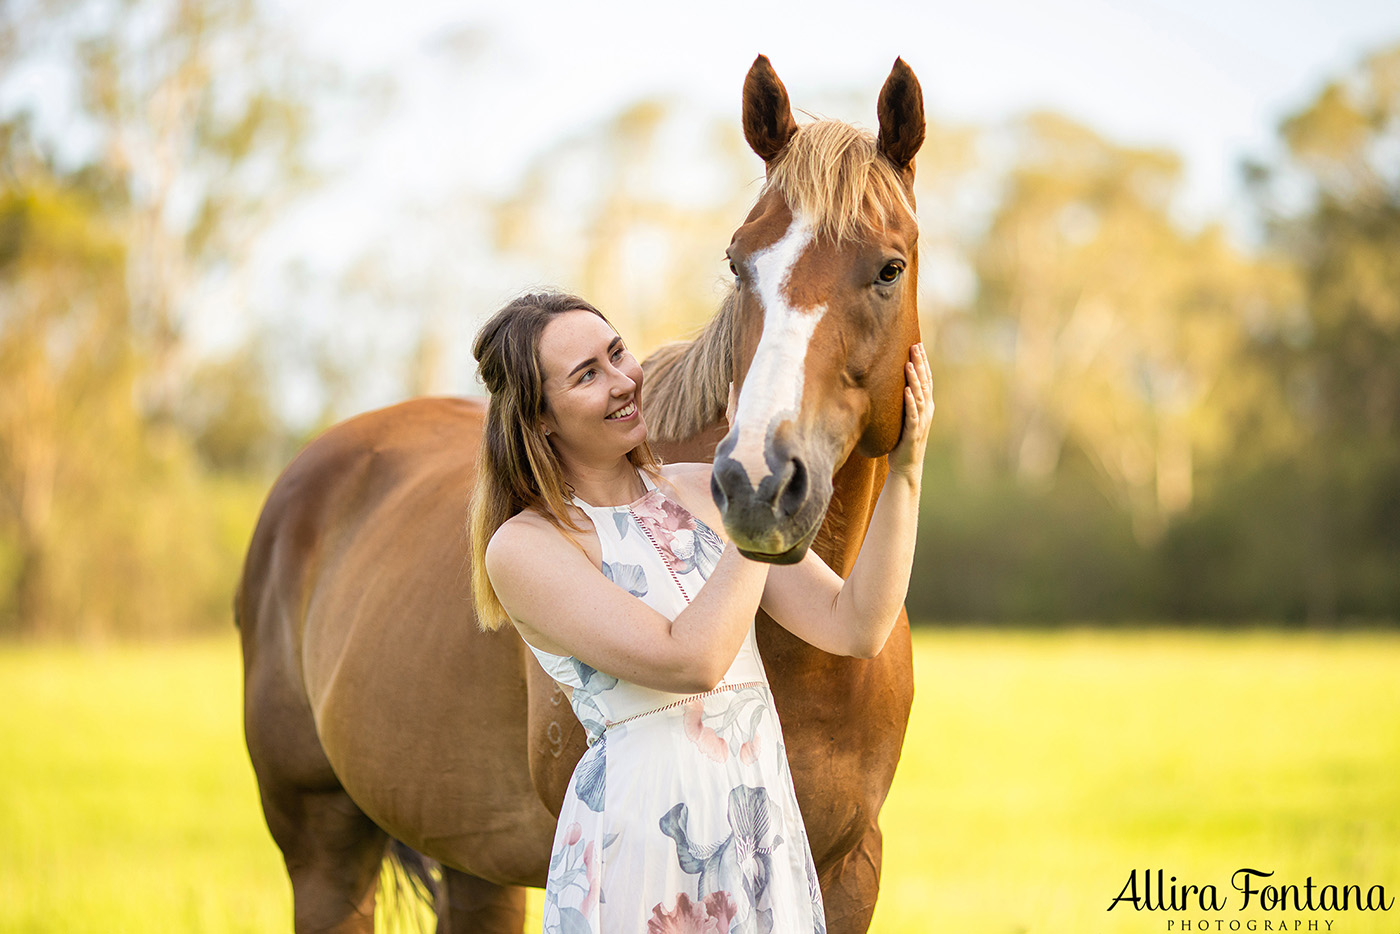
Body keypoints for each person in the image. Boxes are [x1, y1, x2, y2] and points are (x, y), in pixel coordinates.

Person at [468, 291, 932, 934]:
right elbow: (691, 660)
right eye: (587, 375)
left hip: (755, 825)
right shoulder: (525, 546)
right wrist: (757, 499)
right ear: (539, 418)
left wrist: (905, 472)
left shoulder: (702, 491)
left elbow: (856, 625)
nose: (624, 381)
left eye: (617, 352)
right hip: (645, 844)